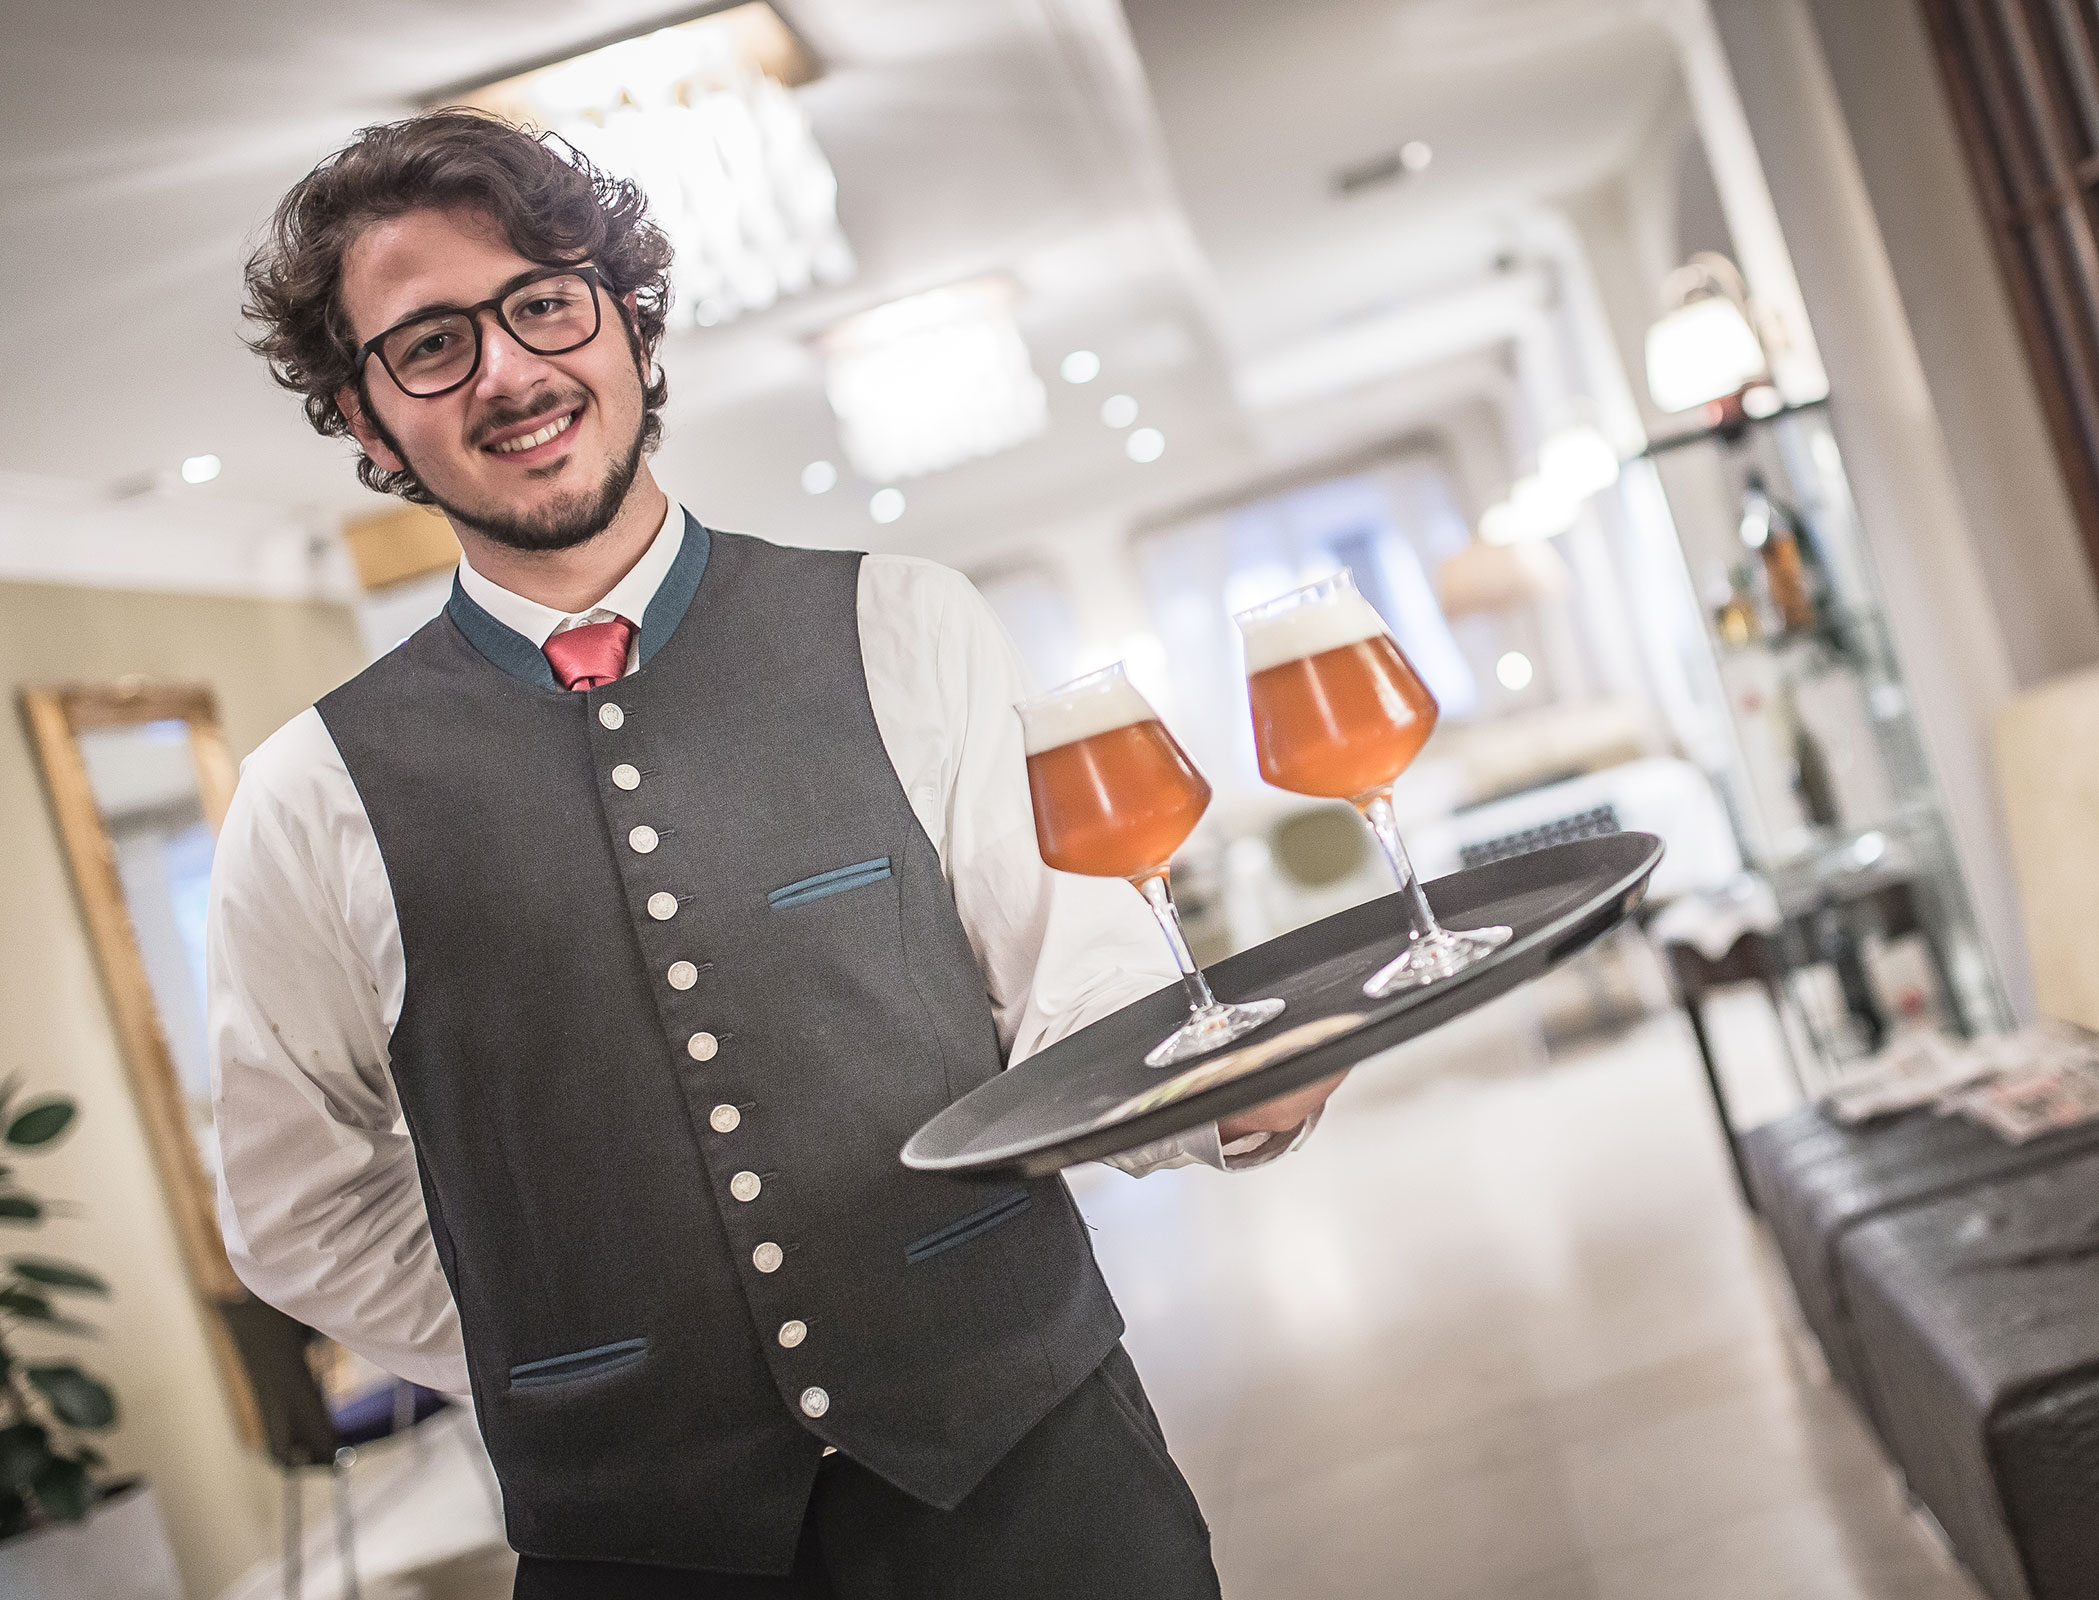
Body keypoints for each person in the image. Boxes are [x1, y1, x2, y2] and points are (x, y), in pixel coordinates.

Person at [214, 110, 1344, 1599]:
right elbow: (297, 1210)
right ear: (367, 421)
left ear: (626, 319)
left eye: (543, 302)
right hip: (634, 1551)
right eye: (428, 345)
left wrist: (1223, 1107)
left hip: (1037, 1482)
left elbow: (1070, 987)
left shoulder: (906, 621)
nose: (506, 372)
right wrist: (559, 1345)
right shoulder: (308, 797)